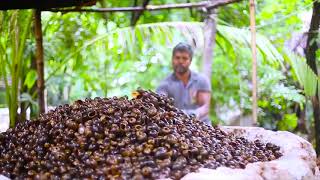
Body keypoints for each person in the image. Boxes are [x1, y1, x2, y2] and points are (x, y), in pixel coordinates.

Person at [156, 42, 212, 126]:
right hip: (177, 128)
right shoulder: (164, 85)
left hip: (202, 126)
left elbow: (205, 107)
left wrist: (192, 115)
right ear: (172, 59)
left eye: (185, 58)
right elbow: (161, 107)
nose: (180, 61)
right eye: (177, 58)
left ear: (190, 61)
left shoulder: (201, 80)